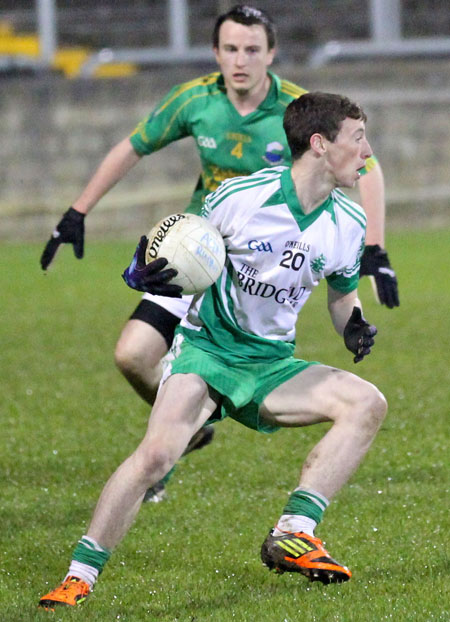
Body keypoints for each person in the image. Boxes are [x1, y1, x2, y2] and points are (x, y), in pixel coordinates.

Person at [39, 91, 388, 610]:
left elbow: (342, 298)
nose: (366, 153)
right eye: (357, 139)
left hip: (270, 365)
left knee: (368, 403)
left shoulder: (349, 224)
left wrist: (353, 326)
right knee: (156, 456)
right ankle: (78, 576)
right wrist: (143, 277)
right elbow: (181, 255)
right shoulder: (240, 197)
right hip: (208, 351)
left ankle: (293, 532)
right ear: (319, 145)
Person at [39, 5, 398, 501]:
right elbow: (134, 146)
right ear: (215, 53)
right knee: (133, 354)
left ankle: (175, 438)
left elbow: (368, 167)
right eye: (230, 48)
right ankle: (188, 427)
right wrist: (78, 211)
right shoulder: (196, 99)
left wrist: (375, 249)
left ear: (271, 54)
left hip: (259, 264)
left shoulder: (299, 111)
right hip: (199, 253)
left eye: (252, 49)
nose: (241, 60)